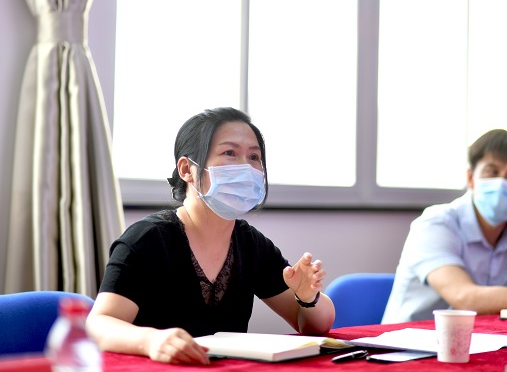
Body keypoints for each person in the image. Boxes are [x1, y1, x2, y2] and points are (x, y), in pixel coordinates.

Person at [86, 107, 335, 365]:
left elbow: (312, 325)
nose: (246, 167)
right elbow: (99, 324)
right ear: (187, 169)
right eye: (230, 153)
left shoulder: (251, 244)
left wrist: (308, 297)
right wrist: (150, 340)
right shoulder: (147, 239)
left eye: (254, 156)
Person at [381, 129, 507, 323]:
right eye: (492, 172)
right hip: (406, 345)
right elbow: (465, 297)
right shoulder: (435, 224)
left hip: (482, 345)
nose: (501, 183)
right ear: (471, 178)